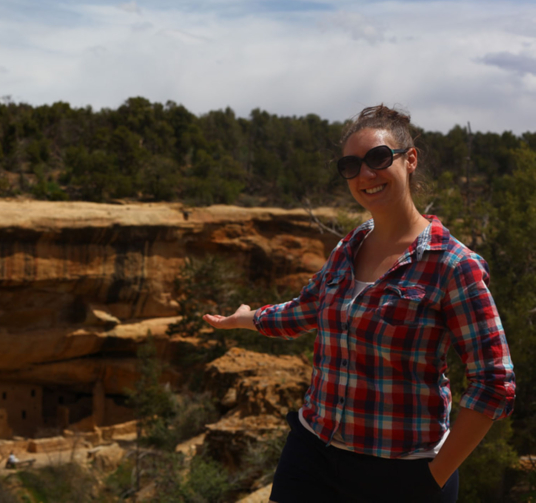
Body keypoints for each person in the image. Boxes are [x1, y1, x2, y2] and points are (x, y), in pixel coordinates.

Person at [203, 105, 515, 503]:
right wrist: (248, 318)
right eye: (351, 165)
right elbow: (307, 309)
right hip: (313, 452)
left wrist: (435, 476)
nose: (365, 174)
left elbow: (494, 382)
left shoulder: (452, 264)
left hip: (400, 471)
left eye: (378, 158)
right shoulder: (348, 247)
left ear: (410, 159)